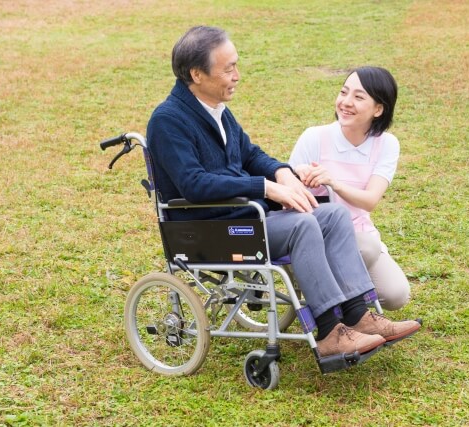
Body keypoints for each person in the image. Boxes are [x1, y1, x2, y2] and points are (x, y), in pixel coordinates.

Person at [146, 26, 420, 358]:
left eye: (236, 65)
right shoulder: (168, 120)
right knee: (303, 224)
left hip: (242, 217)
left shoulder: (217, 110)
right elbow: (193, 184)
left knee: (331, 214)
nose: (237, 75)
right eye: (228, 68)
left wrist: (284, 173)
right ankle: (331, 330)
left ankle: (360, 317)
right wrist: (265, 186)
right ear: (196, 74)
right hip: (211, 228)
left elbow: (250, 155)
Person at [288, 66, 411, 312]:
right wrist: (301, 177)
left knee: (396, 295)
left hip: (360, 234)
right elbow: (287, 192)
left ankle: (332, 296)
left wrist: (333, 182)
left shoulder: (386, 144)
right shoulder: (315, 137)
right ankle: (336, 306)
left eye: (358, 97)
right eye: (344, 92)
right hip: (316, 235)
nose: (346, 102)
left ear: (378, 109)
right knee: (366, 248)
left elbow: (370, 200)